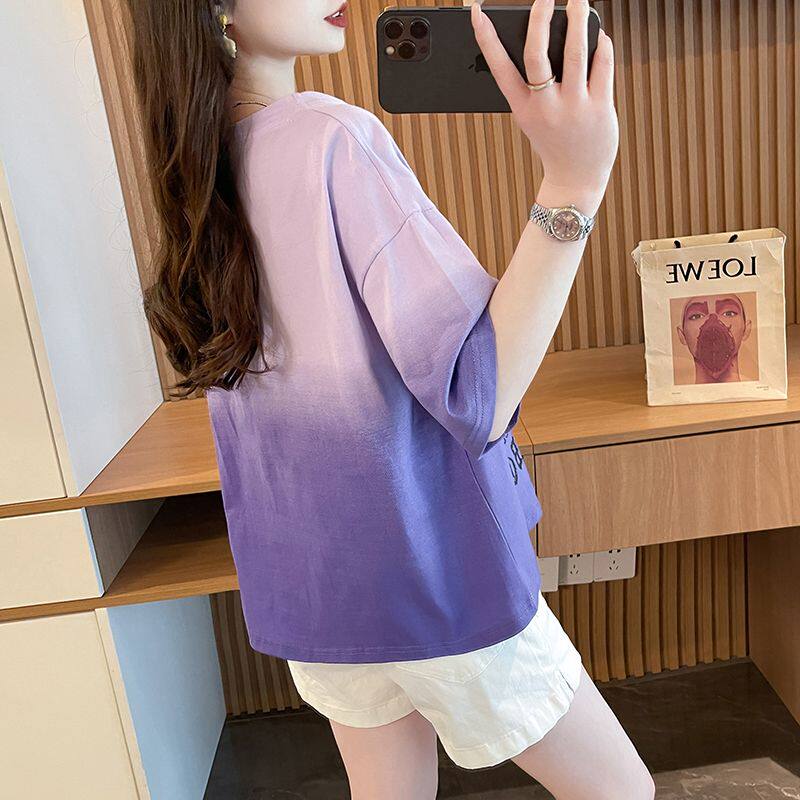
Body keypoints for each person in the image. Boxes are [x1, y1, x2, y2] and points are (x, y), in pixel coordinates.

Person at [125, 0, 654, 796]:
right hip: (430, 571)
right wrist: (575, 180)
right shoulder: (331, 138)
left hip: (317, 584)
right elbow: (479, 391)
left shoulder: (199, 167)